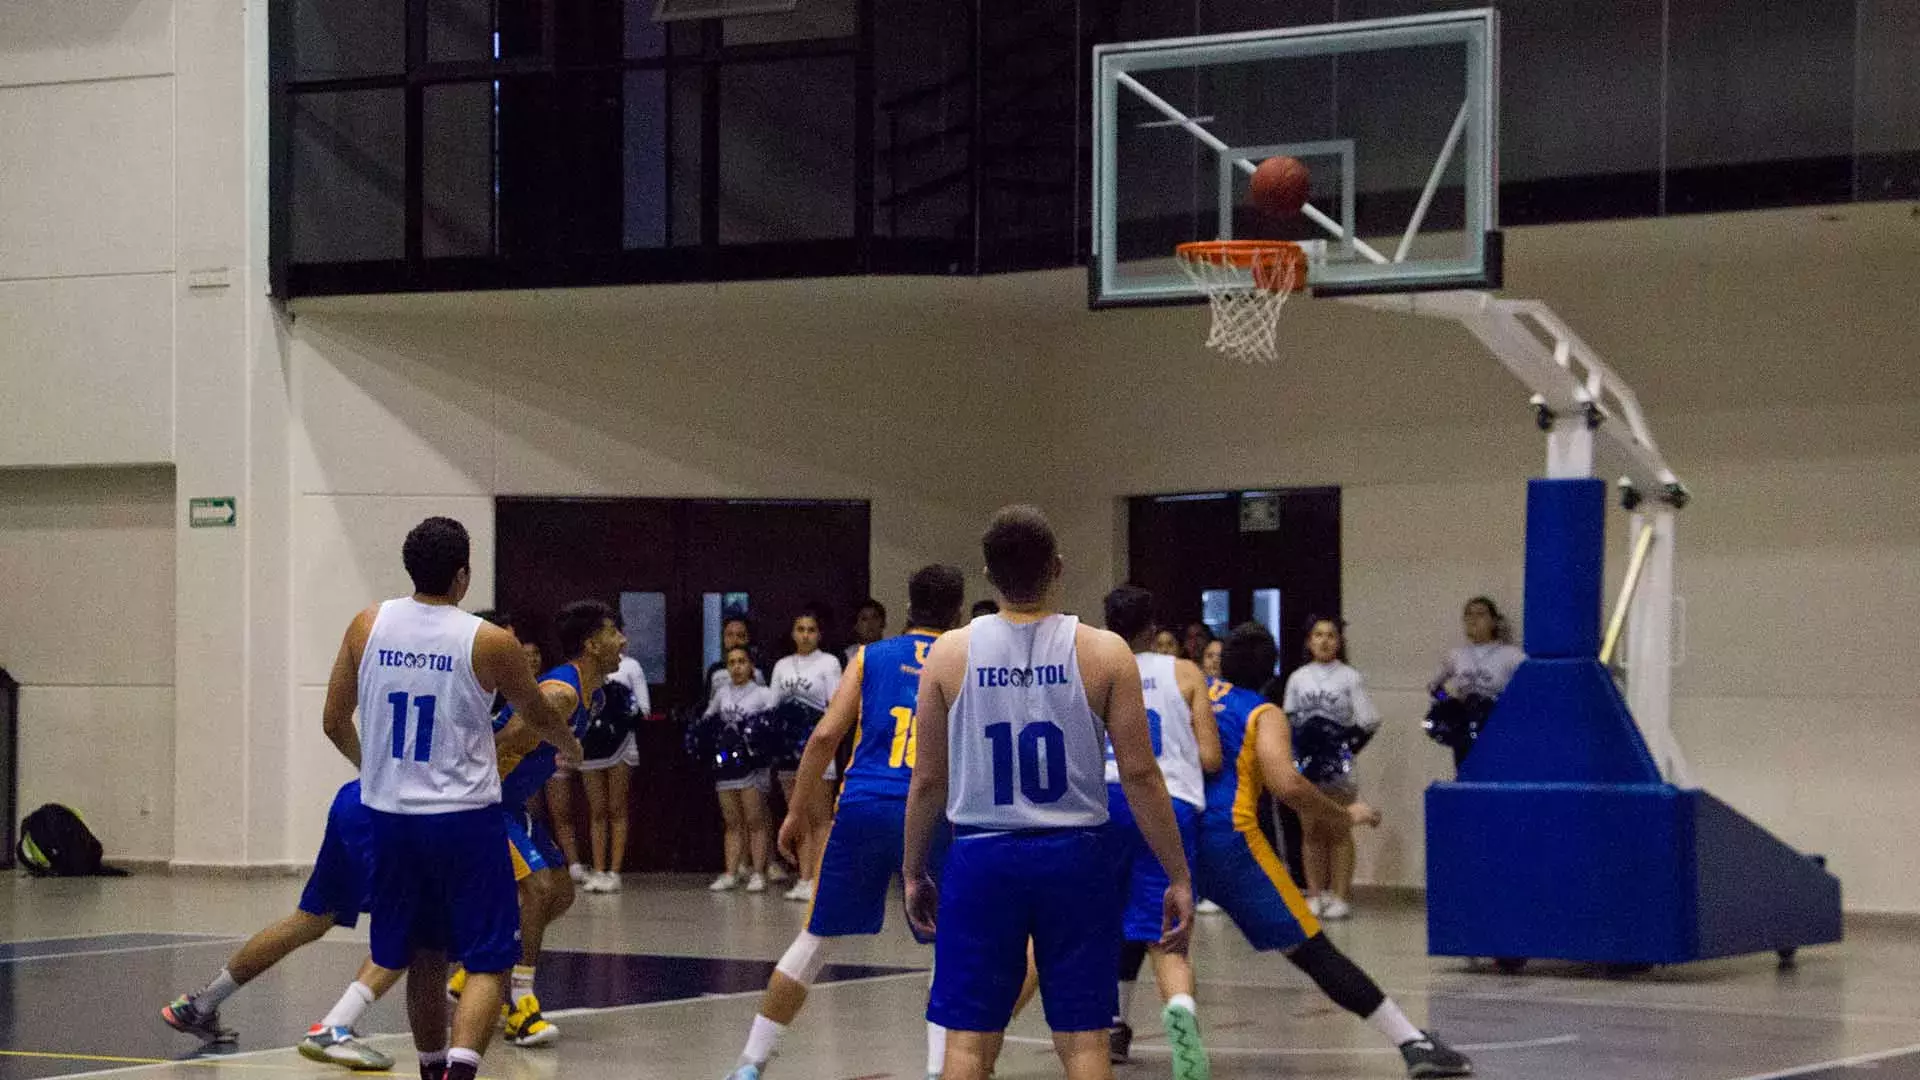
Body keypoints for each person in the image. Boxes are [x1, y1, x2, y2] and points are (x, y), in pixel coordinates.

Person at [903, 505, 1195, 1080]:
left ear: (988, 574)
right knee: (1084, 1043)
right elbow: (1140, 776)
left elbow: (928, 780)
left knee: (968, 1045)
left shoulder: (949, 653)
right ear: (1058, 567)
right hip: (1076, 858)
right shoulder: (1106, 652)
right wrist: (1178, 873)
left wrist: (913, 870)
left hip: (983, 855)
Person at [319, 517, 581, 1080]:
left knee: (425, 954)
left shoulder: (367, 625)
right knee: (489, 960)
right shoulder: (488, 640)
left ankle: (432, 1069)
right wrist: (569, 745)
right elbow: (536, 712)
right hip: (463, 820)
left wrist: (377, 771)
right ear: (463, 575)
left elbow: (333, 720)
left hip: (391, 818)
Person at [722, 565, 967, 1080]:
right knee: (948, 950)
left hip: (863, 805)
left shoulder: (872, 657)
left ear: (906, 608)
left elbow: (824, 736)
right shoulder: (965, 657)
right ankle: (936, 1071)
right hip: (934, 810)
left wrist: (794, 811)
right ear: (958, 612)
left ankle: (750, 1063)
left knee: (815, 940)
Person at [1206, 624, 1472, 1079]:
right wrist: (1343, 812)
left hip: (1169, 832)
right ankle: (1411, 1040)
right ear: (1272, 671)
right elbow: (1287, 785)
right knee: (1311, 948)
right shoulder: (1259, 710)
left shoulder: (1193, 693)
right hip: (1229, 838)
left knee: (1141, 929)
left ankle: (1118, 1025)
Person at [448, 600, 623, 1048]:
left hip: (511, 804)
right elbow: (505, 737)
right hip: (485, 802)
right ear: (591, 644)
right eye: (613, 632)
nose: (622, 641)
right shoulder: (561, 695)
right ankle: (520, 1006)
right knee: (539, 888)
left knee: (561, 893)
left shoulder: (593, 694)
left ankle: (478, 968)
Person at [161, 780, 402, 1071]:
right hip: (394, 808)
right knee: (411, 924)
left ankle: (200, 1005)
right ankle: (335, 1027)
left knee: (311, 920)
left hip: (353, 798)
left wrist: (371, 770)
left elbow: (334, 730)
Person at [1099, 587, 1221, 1073]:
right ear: (1153, 627)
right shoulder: (1186, 673)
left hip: (1105, 800)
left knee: (1101, 924)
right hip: (1168, 803)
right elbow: (1210, 757)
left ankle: (1110, 1026)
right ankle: (1183, 1026)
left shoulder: (1099, 668)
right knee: (1168, 936)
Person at [1283, 616, 1381, 920]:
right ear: (1309, 641)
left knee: (1339, 828)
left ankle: (1340, 895)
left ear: (1339, 642)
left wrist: (1343, 748)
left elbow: (1369, 719)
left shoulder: (1350, 677)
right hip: (1307, 763)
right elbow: (1290, 717)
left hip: (1337, 766)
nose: (1324, 641)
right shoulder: (1298, 678)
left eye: (1330, 636)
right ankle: (1315, 894)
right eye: (1318, 635)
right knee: (1311, 829)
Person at [768, 609, 843, 902]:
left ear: (819, 634)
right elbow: (772, 704)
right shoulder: (782, 665)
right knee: (796, 815)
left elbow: (835, 704)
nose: (805, 635)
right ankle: (803, 876)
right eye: (800, 629)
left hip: (816, 745)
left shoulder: (829, 662)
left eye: (811, 629)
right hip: (789, 749)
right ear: (792, 633)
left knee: (820, 817)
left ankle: (820, 879)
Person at [706, 644, 780, 892]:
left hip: (752, 766)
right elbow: (708, 719)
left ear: (751, 666)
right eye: (732, 662)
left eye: (741, 662)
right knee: (732, 821)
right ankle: (730, 872)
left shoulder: (763, 694)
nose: (736, 667)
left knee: (754, 820)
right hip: (727, 764)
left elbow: (771, 728)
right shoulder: (722, 693)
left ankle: (758, 872)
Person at [577, 638, 648, 894]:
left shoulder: (630, 667)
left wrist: (615, 716)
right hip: (589, 746)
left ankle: (614, 872)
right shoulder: (582, 669)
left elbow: (643, 708)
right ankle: (598, 870)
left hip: (621, 744)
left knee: (616, 808)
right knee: (596, 810)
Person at [1425, 597, 1525, 773]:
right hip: (1464, 723)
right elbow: (1434, 686)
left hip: (1496, 723)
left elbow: (1529, 688)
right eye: (1468, 615)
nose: (1473, 620)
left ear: (1494, 621)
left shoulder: (1512, 655)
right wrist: (1448, 701)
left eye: (1480, 614)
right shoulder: (1456, 656)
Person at [708, 614, 768, 702]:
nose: (734, 640)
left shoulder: (760, 669)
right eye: (729, 635)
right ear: (723, 639)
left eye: (740, 635)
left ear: (748, 639)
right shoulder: (715, 670)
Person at [847, 598, 887, 663]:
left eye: (875, 617)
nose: (871, 623)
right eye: (864, 619)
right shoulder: (849, 655)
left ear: (883, 623)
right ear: (856, 626)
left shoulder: (892, 651)